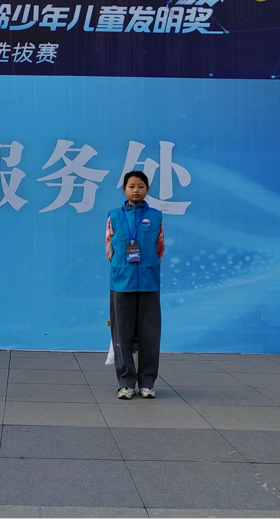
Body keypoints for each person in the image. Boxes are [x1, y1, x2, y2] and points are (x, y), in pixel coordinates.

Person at [105, 170, 164, 399]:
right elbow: (109, 248)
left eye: (140, 186)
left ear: (147, 189)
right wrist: (122, 267)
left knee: (150, 335)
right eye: (131, 186)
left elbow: (160, 247)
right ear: (124, 190)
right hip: (122, 283)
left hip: (149, 282)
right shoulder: (114, 215)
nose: (136, 190)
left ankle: (147, 382)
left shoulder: (156, 216)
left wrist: (148, 266)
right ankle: (126, 383)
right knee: (122, 335)